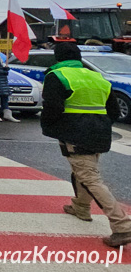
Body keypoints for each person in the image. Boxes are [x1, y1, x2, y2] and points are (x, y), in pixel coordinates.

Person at [41, 42, 131, 248]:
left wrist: (50, 128)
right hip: (99, 132)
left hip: (74, 132)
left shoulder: (57, 76)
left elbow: (52, 107)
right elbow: (114, 111)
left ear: (57, 57)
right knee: (84, 171)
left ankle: (122, 226)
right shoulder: (96, 77)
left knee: (89, 177)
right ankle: (81, 207)